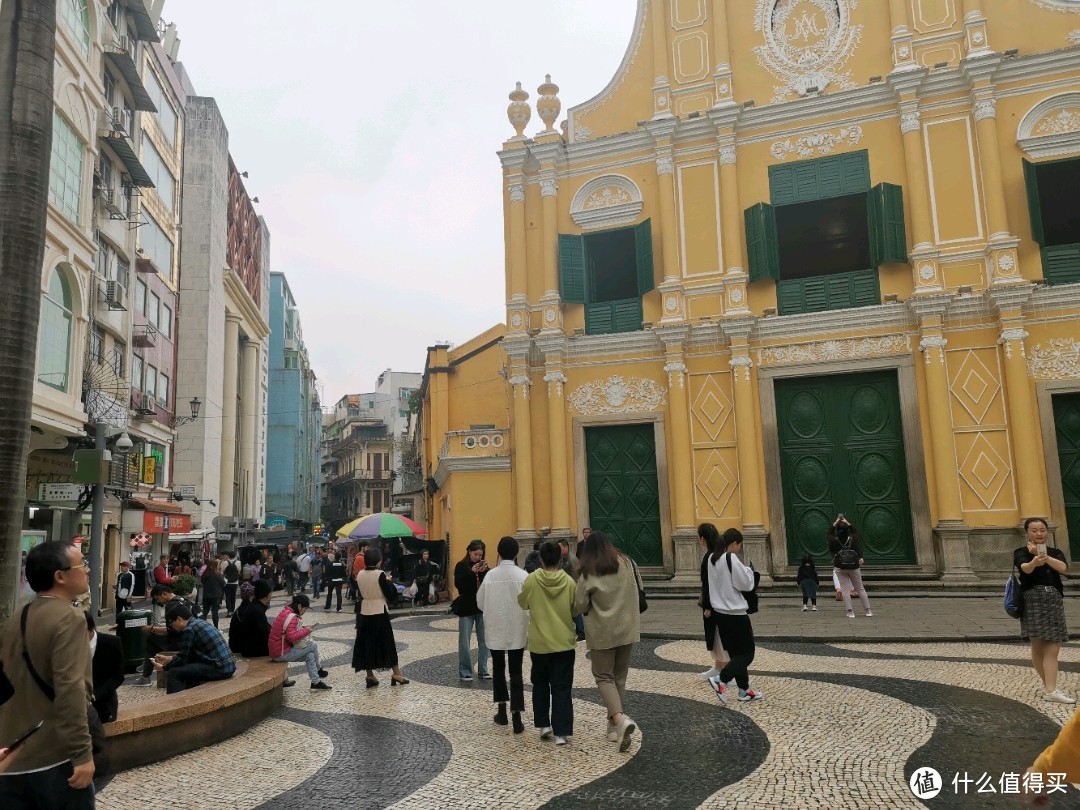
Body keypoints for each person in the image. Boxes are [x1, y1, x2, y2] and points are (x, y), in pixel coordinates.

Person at [0, 541, 96, 806]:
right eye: (81, 564)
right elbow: (71, 689)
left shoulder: (18, 616)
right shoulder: (70, 618)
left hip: (12, 756)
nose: (87, 570)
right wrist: (82, 754)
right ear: (60, 576)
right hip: (54, 757)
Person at [573, 531, 641, 752]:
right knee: (619, 678)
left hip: (602, 631)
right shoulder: (627, 563)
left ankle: (620, 720)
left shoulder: (588, 571)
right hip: (627, 628)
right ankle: (613, 728)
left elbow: (579, 606)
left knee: (603, 677)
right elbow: (638, 589)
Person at [518, 541, 576, 745]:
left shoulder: (532, 580)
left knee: (540, 684)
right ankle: (562, 732)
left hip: (540, 642)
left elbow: (522, 602)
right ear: (560, 558)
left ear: (540, 558)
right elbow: (575, 609)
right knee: (562, 687)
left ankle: (544, 725)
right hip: (563, 642)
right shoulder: (568, 582)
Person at [1015, 517, 1073, 704]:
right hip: (1033, 598)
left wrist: (1045, 557)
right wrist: (1034, 561)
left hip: (1053, 598)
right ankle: (1050, 689)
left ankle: (1050, 687)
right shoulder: (1021, 552)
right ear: (1027, 533)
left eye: (1042, 530)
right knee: (1038, 644)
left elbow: (1063, 568)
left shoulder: (1055, 552)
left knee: (1052, 645)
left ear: (1047, 532)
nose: (1039, 533)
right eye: (1034, 530)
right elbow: (1025, 569)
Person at [476, 537, 529, 734]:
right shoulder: (523, 576)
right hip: (517, 628)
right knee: (516, 671)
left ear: (498, 552)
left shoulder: (490, 576)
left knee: (498, 669)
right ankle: (517, 716)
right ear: (516, 553)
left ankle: (502, 712)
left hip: (496, 630)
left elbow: (480, 603)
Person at [705, 528, 764, 704]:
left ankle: (744, 690)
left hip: (720, 614)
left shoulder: (711, 558)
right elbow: (745, 584)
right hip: (735, 613)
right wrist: (749, 572)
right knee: (747, 654)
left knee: (736, 654)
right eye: (739, 545)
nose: (739, 548)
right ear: (733, 543)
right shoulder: (730, 558)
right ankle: (720, 679)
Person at [351, 548, 409, 687]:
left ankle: (370, 675)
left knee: (366, 644)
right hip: (379, 611)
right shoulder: (380, 574)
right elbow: (390, 595)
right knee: (387, 642)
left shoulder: (360, 574)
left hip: (365, 611)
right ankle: (396, 673)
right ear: (378, 561)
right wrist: (389, 582)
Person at [155, 602, 236, 693]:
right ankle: (190, 698)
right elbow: (189, 655)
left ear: (179, 619)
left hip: (220, 669)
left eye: (171, 623)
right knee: (187, 669)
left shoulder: (189, 630)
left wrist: (164, 667)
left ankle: (174, 704)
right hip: (228, 665)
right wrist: (169, 659)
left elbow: (182, 659)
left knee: (174, 673)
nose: (172, 627)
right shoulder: (200, 622)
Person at [132, 584, 197, 686]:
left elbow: (172, 630)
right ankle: (146, 665)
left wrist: (152, 628)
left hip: (179, 641)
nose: (158, 602)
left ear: (164, 594)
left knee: (151, 639)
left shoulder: (171, 606)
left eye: (158, 599)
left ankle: (146, 674)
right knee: (154, 639)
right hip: (189, 637)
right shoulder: (182, 599)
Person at [270, 595, 331, 690]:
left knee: (310, 656)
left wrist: (303, 628)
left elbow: (288, 631)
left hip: (278, 651)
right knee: (313, 645)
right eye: (305, 609)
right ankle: (319, 670)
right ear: (299, 606)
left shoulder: (286, 612)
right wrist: (307, 630)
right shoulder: (292, 617)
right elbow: (292, 637)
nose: (304, 612)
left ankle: (316, 682)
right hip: (281, 653)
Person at [454, 539, 491, 681]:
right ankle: (465, 671)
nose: (478, 558)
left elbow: (487, 586)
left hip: (481, 607)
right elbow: (460, 586)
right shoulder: (461, 566)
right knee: (464, 641)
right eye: (476, 554)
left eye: (480, 555)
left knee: (484, 640)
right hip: (466, 607)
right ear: (469, 551)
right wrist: (471, 572)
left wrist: (484, 572)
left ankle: (483, 669)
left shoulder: (484, 568)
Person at [697, 523, 730, 681]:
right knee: (717, 637)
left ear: (703, 539)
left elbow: (708, 584)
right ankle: (718, 667)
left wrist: (708, 606)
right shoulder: (718, 554)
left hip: (715, 604)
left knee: (718, 637)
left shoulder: (710, 557)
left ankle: (727, 672)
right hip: (721, 602)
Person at [828, 516, 873, 618]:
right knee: (860, 588)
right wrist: (848, 523)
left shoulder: (833, 540)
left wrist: (834, 523)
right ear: (848, 529)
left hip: (839, 567)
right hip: (854, 566)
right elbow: (856, 532)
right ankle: (868, 610)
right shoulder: (853, 538)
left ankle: (850, 612)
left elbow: (829, 534)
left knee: (844, 589)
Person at [86, 613, 124, 724]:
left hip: (102, 702)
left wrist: (95, 696)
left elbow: (118, 676)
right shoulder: (69, 645)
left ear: (91, 628)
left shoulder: (112, 643)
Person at [229, 580, 274, 658]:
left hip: (244, 646)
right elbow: (266, 631)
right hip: (249, 649)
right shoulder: (256, 610)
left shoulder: (251, 607)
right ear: (268, 595)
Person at [558, 539, 585, 642]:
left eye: (560, 548)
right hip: (568, 588)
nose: (559, 551)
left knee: (575, 612)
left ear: (566, 547)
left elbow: (576, 576)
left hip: (572, 588)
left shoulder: (571, 559)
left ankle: (581, 632)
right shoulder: (564, 558)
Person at [200, 559, 226, 628]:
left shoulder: (205, 574)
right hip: (216, 595)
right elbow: (223, 583)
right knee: (215, 611)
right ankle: (216, 627)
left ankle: (201, 625)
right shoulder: (218, 574)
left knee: (205, 611)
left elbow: (202, 581)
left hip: (206, 595)